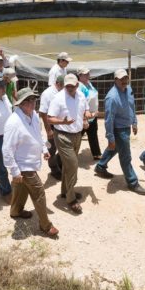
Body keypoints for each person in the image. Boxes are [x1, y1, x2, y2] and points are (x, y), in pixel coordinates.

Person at [2, 88, 59, 237]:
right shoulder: (13, 122)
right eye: (27, 101)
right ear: (20, 104)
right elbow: (7, 150)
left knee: (21, 189)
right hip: (23, 165)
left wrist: (43, 149)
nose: (32, 103)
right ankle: (45, 225)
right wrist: (14, 171)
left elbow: (37, 134)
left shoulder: (33, 115)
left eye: (33, 100)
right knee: (38, 192)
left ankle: (15, 211)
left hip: (31, 162)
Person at [95, 69, 145, 195]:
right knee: (125, 156)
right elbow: (108, 120)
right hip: (118, 130)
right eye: (121, 79)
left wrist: (134, 122)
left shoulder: (129, 89)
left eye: (126, 78)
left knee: (115, 148)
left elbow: (132, 106)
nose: (124, 81)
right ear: (115, 80)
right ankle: (132, 182)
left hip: (127, 126)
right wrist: (111, 138)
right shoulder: (112, 97)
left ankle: (100, 166)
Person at [46, 73, 90, 213]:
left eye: (72, 85)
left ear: (77, 85)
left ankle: (65, 191)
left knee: (68, 166)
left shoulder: (81, 96)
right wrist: (63, 122)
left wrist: (86, 117)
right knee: (73, 165)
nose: (70, 88)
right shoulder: (58, 99)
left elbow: (85, 109)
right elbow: (50, 118)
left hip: (77, 135)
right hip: (63, 136)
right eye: (67, 86)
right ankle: (70, 199)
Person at [39, 75, 64, 180]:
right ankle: (54, 169)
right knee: (52, 148)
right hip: (52, 124)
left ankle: (59, 163)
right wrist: (48, 130)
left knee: (62, 146)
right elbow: (43, 112)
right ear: (58, 83)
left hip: (61, 123)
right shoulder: (47, 93)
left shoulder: (62, 91)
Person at [77, 66, 101, 160]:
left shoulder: (88, 83)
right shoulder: (79, 87)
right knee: (78, 137)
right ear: (80, 75)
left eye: (88, 73)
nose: (88, 75)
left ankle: (96, 153)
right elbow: (80, 104)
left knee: (93, 133)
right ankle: (69, 155)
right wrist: (84, 118)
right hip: (85, 116)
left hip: (92, 115)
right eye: (85, 74)